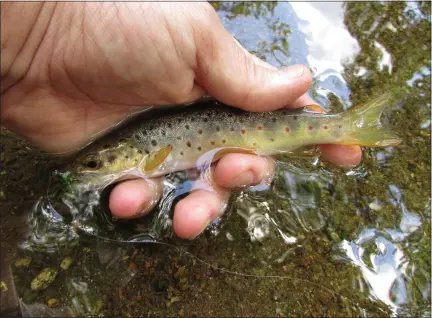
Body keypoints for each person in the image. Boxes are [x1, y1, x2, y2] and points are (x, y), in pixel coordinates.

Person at [1, 2, 361, 239]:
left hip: (254, 126)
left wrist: (47, 22)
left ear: (125, 153)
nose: (92, 167)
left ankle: (344, 128)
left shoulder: (145, 154)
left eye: (96, 163)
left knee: (236, 169)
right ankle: (340, 128)